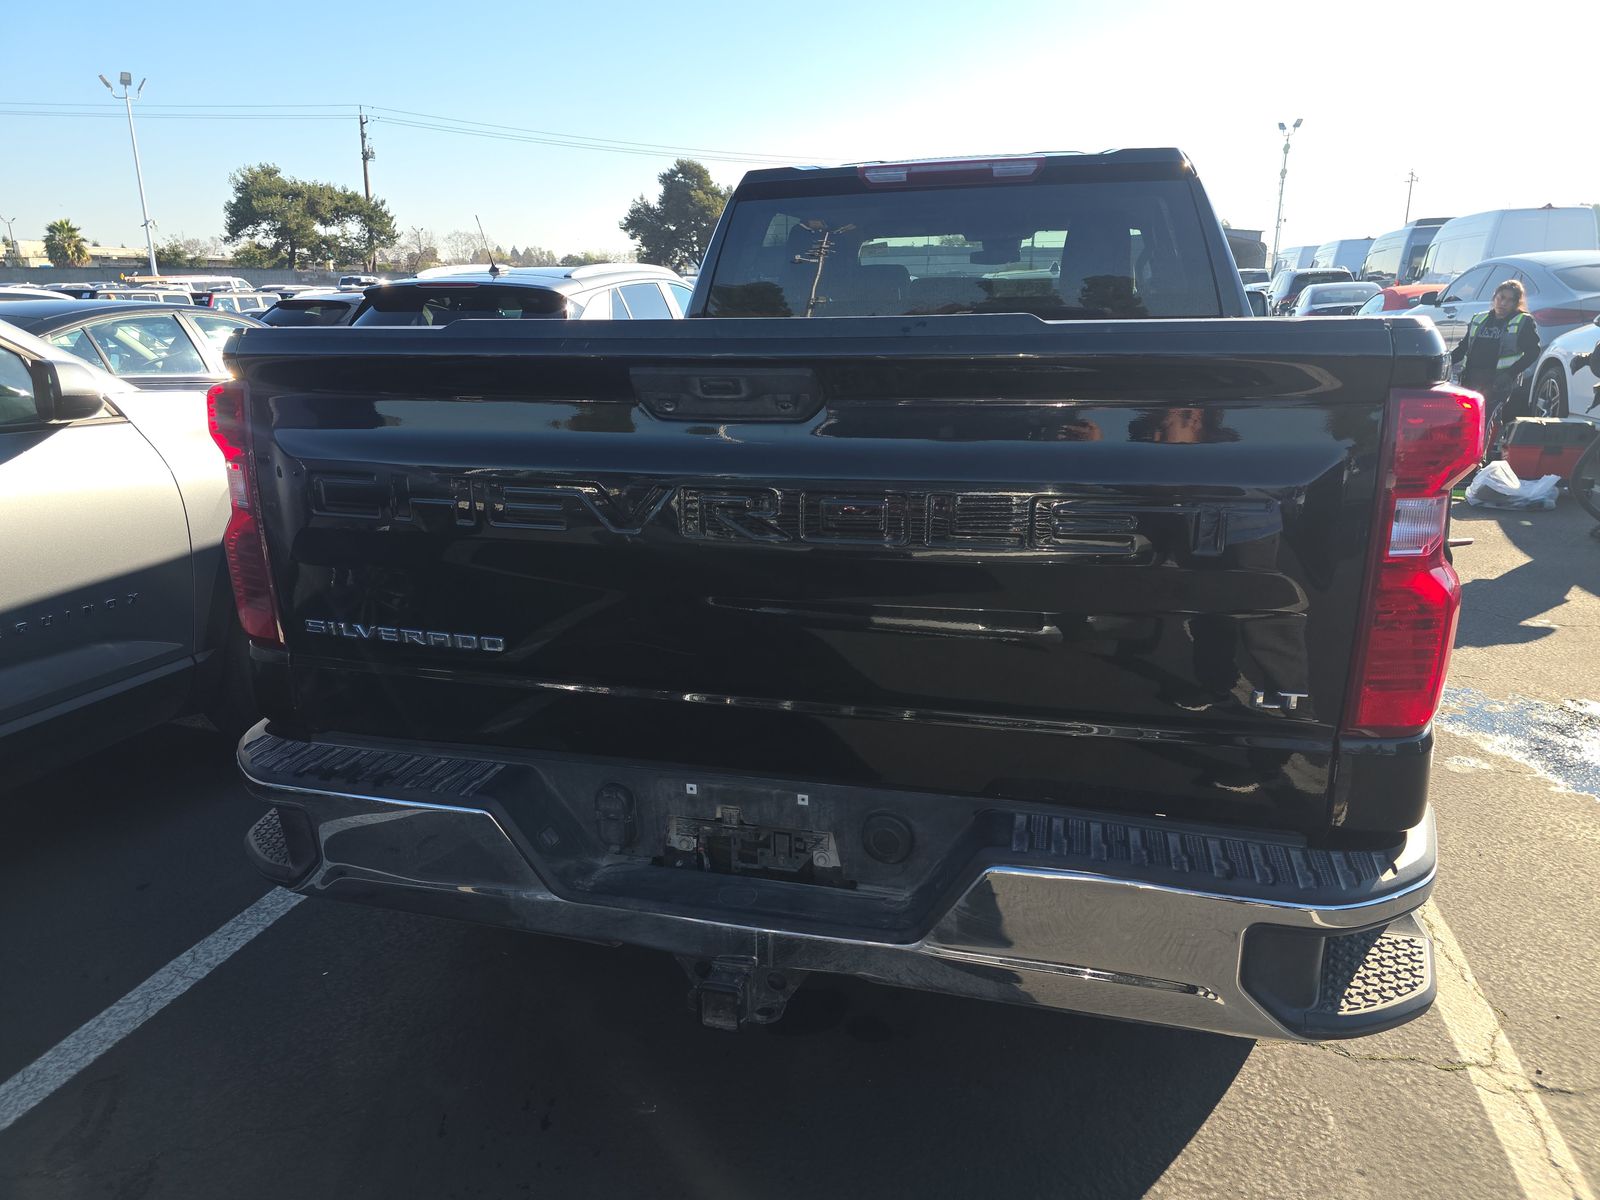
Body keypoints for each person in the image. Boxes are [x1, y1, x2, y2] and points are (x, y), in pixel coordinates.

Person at [1450, 279, 1542, 434]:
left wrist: (1509, 374)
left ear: (1516, 303)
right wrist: (1444, 363)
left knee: (1484, 421)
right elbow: (1463, 348)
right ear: (1494, 297)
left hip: (1498, 383)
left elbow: (1533, 352)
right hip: (1471, 379)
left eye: (1510, 300)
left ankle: (1485, 449)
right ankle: (1493, 443)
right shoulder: (1479, 319)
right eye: (1501, 297)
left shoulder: (1522, 321)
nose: (1503, 303)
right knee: (1467, 421)